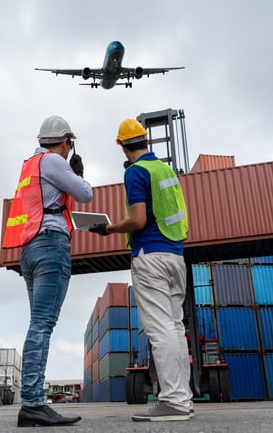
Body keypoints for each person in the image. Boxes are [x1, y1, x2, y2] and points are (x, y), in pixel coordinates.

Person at [89, 118, 193, 422]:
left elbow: (137, 219)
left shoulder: (136, 172)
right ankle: (183, 399)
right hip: (176, 256)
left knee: (160, 329)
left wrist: (107, 229)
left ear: (121, 145)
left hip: (151, 255)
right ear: (145, 141)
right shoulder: (166, 170)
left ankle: (172, 401)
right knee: (175, 328)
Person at [3, 115, 92, 427]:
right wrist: (79, 174)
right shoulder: (55, 162)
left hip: (29, 248)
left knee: (37, 323)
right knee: (43, 324)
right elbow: (85, 195)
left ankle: (32, 402)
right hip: (51, 243)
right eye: (69, 145)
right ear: (66, 141)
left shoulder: (29, 163)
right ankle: (33, 403)